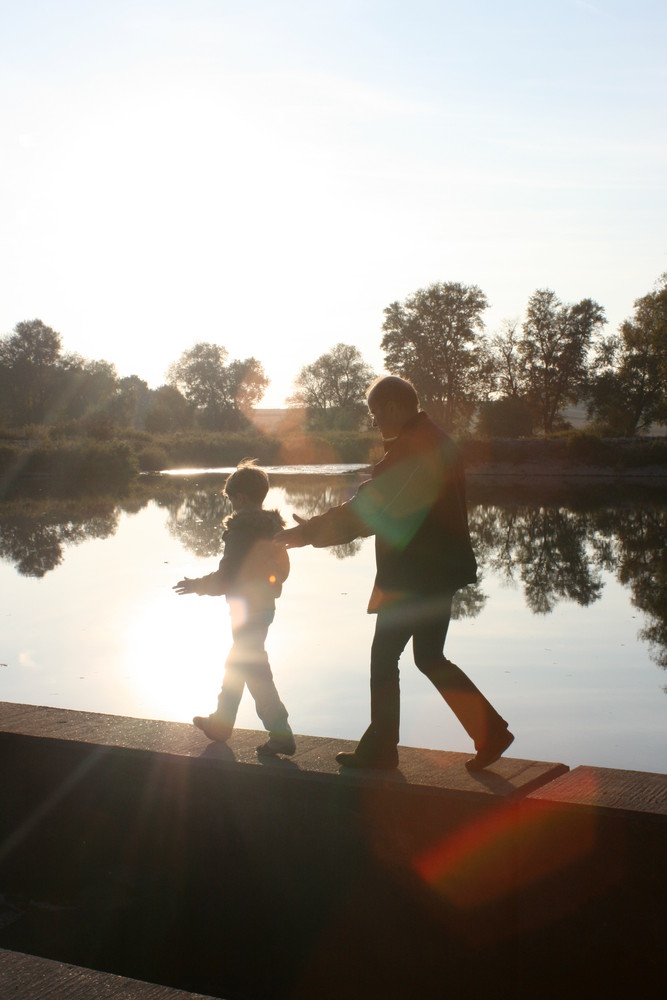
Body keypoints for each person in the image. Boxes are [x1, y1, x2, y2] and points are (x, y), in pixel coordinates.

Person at [278, 375, 513, 771]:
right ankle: (490, 733)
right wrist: (317, 527)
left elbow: (374, 510)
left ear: (392, 407)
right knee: (429, 656)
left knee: (384, 656)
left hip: (414, 574)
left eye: (375, 415)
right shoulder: (431, 440)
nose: (375, 424)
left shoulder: (416, 449)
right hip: (439, 570)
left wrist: (306, 534)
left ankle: (382, 749)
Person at [174, 460, 296, 757]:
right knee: (238, 663)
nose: (230, 505)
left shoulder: (241, 531)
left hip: (246, 610)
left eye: (230, 499)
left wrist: (197, 585)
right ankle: (221, 724)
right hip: (264, 608)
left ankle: (280, 734)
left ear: (240, 498)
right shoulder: (273, 530)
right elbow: (283, 571)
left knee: (253, 669)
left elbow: (227, 577)